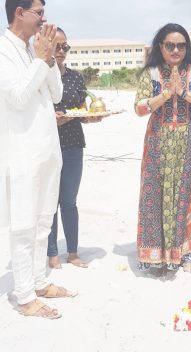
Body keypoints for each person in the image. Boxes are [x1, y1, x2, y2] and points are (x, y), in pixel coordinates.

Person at [0, 0, 76, 320]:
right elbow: (17, 97)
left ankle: (40, 282)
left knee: (44, 220)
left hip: (49, 150)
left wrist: (52, 58)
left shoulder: (35, 49)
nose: (44, 19)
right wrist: (42, 60)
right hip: (22, 153)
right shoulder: (3, 50)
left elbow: (56, 94)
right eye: (39, 12)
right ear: (20, 13)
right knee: (23, 225)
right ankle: (24, 295)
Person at [135, 23, 191, 274]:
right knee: (156, 194)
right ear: (161, 46)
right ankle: (156, 255)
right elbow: (139, 108)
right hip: (158, 141)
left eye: (181, 45)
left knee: (190, 195)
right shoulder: (150, 73)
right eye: (170, 45)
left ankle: (188, 253)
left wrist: (182, 92)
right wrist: (165, 95)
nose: (176, 50)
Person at [47, 27, 101, 269]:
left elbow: (81, 109)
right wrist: (52, 118)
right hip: (47, 146)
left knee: (69, 201)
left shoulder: (75, 77)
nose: (61, 51)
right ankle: (51, 254)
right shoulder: (40, 76)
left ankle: (72, 252)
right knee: (49, 203)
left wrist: (91, 116)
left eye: (65, 46)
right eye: (57, 46)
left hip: (73, 145)